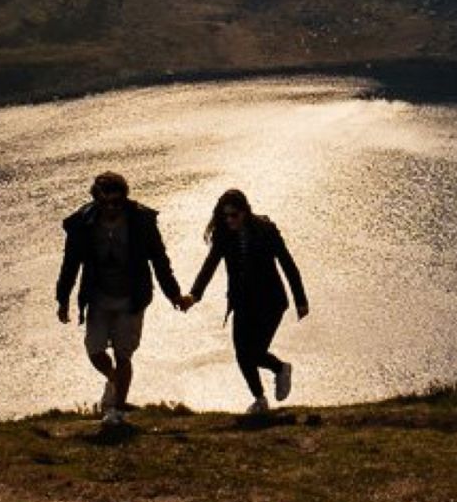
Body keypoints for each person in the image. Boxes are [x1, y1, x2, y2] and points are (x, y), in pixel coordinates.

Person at [54, 171, 187, 425]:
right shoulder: (83, 223)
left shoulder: (141, 221)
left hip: (131, 298)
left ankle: (116, 411)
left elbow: (159, 260)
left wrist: (174, 294)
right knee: (94, 350)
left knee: (124, 354)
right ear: (97, 200)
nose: (113, 207)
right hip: (98, 297)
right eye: (107, 203)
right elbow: (70, 264)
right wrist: (63, 299)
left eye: (118, 201)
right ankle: (114, 380)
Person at [183, 188, 309, 414]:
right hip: (242, 302)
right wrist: (194, 295)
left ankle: (280, 368)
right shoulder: (223, 235)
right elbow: (209, 266)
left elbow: (288, 264)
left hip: (271, 302)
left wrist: (301, 300)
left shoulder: (266, 230)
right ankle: (260, 400)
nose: (230, 220)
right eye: (225, 216)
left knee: (256, 351)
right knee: (242, 353)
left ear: (245, 212)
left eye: (234, 215)